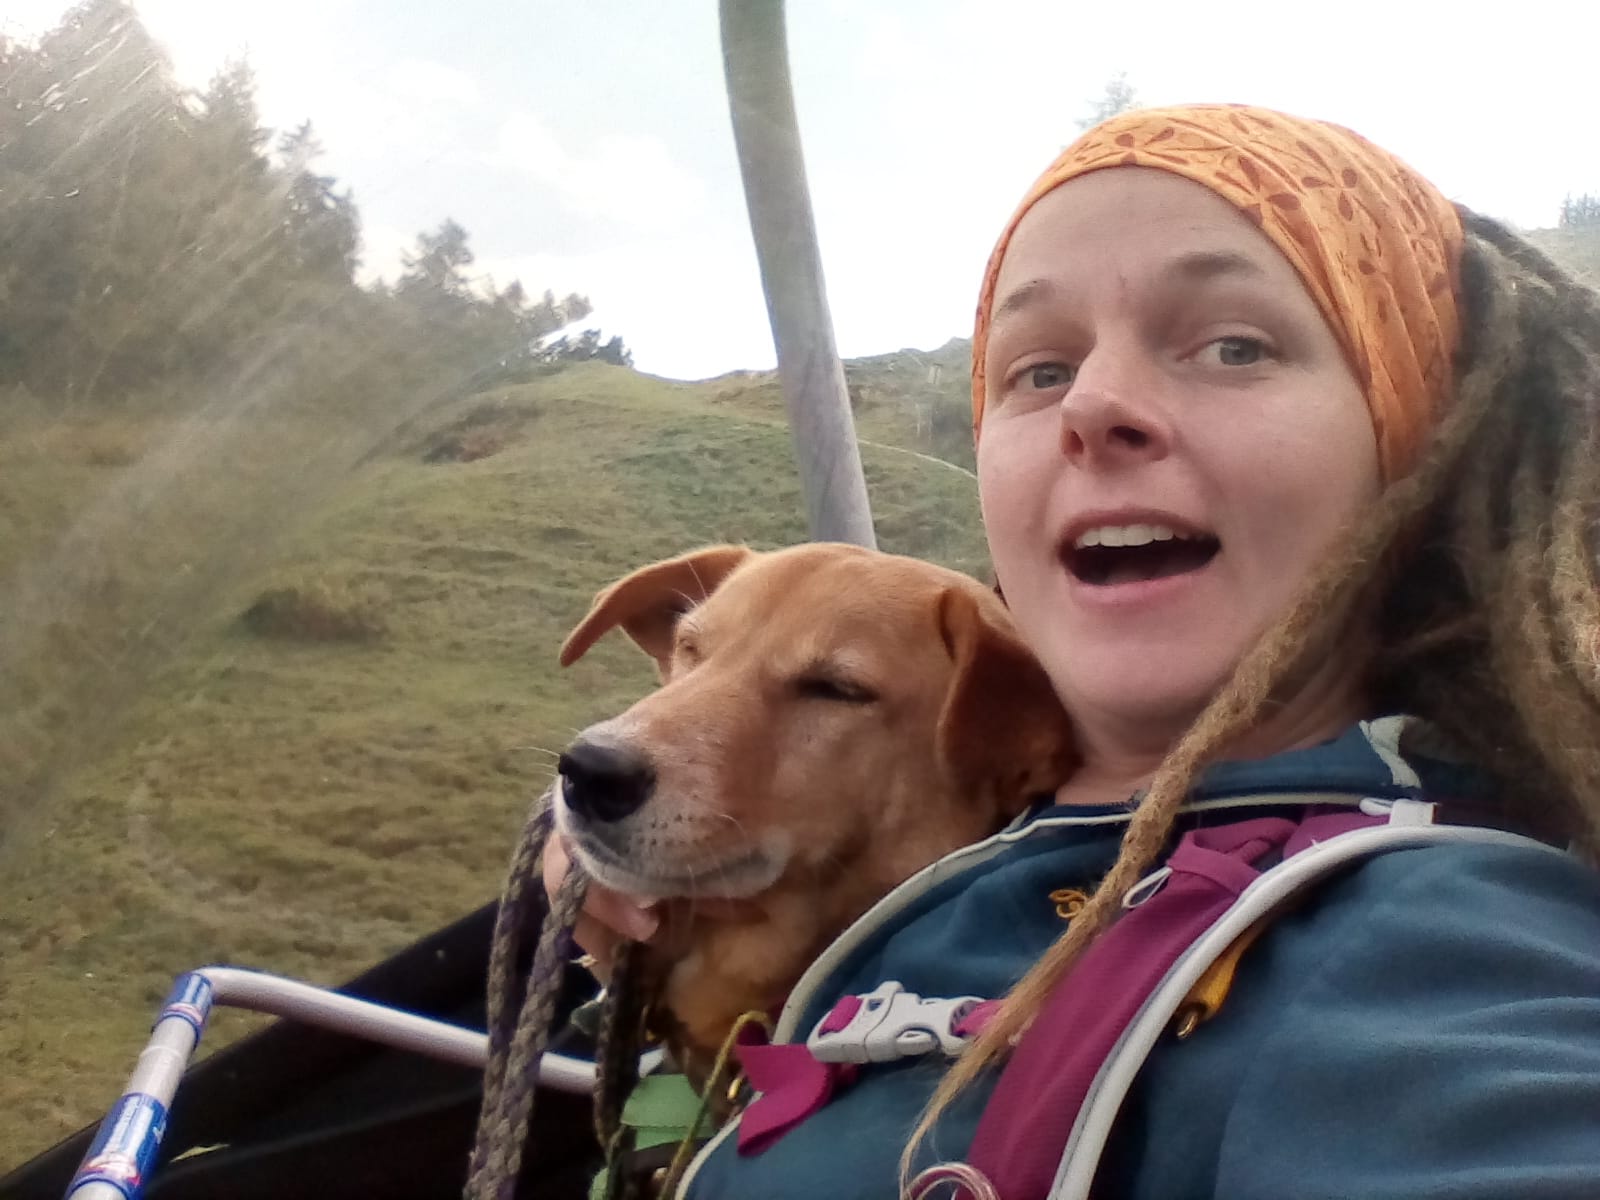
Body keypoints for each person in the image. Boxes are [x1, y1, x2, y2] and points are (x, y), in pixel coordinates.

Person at [543, 103, 1600, 1198]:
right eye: (1039, 369)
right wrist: (638, 912)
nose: (1092, 405)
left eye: (1233, 346)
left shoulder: (1430, 947)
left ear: (1418, 433)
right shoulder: (977, 815)